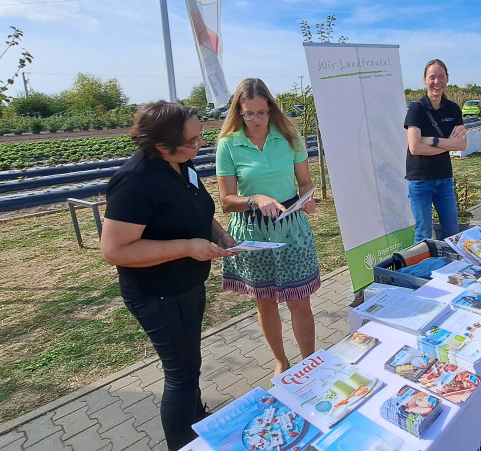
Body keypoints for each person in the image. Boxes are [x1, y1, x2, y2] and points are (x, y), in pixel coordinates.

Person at [100, 101, 237, 451]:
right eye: (192, 140)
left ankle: (196, 423)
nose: (200, 145)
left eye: (200, 135)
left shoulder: (181, 164)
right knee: (180, 375)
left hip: (187, 284)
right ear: (162, 145)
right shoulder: (135, 181)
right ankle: (183, 443)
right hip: (157, 294)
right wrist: (187, 246)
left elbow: (199, 208)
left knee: (190, 364)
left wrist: (218, 234)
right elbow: (115, 251)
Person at [216, 78, 320, 377]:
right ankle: (280, 361)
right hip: (253, 231)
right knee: (266, 302)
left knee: (299, 301)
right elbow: (226, 201)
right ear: (238, 112)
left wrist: (307, 198)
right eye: (249, 114)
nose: (257, 120)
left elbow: (305, 182)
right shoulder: (228, 144)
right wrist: (255, 199)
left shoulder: (288, 137)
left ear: (272, 109)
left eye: (262, 113)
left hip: (291, 226)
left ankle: (310, 361)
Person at [404, 59, 468, 243]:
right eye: (432, 77)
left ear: (447, 79)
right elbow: (415, 148)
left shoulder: (453, 109)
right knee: (423, 234)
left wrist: (433, 141)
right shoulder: (416, 110)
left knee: (452, 231)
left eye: (441, 77)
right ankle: (420, 271)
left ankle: (449, 270)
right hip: (420, 180)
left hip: (444, 178)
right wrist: (449, 144)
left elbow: (462, 145)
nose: (437, 82)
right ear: (425, 80)